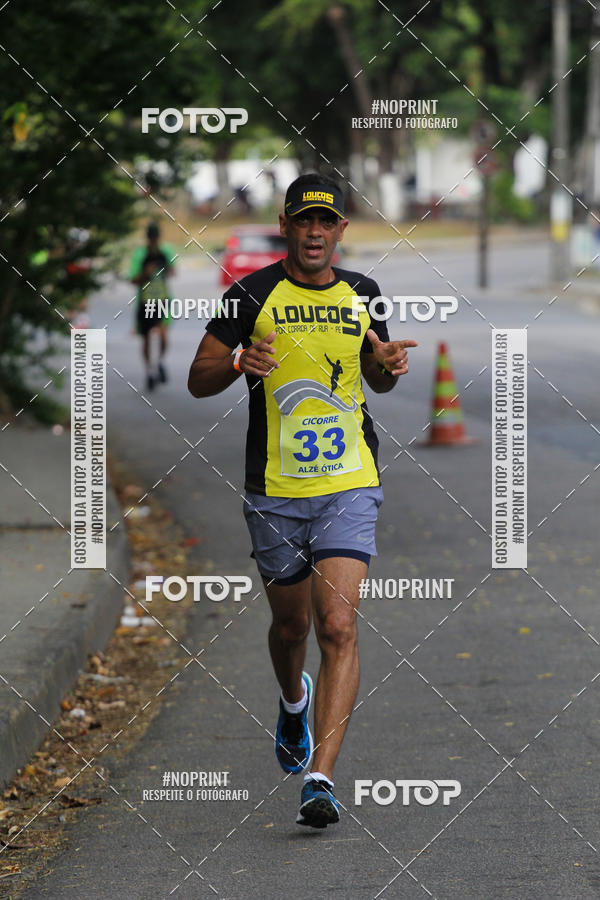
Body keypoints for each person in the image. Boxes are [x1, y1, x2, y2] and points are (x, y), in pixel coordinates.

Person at [188, 173, 417, 829]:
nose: (315, 233)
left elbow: (376, 376)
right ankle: (293, 703)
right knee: (291, 629)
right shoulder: (250, 295)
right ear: (285, 226)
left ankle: (320, 779)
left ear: (341, 229)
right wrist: (239, 364)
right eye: (304, 221)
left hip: (349, 481)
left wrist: (387, 365)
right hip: (276, 490)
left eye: (326, 222)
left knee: (337, 626)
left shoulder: (363, 294)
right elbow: (198, 378)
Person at [129, 223, 176, 391]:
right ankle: (150, 371)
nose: (154, 240)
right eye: (152, 237)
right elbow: (133, 279)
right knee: (147, 338)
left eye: (156, 237)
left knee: (163, 334)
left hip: (162, 300)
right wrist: (146, 272)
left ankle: (160, 362)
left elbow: (173, 272)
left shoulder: (166, 251)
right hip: (145, 301)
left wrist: (165, 266)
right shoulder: (140, 254)